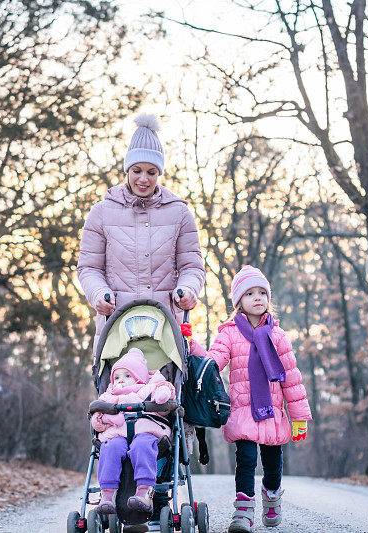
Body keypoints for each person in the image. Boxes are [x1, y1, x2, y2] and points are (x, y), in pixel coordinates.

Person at [191, 265, 311, 533]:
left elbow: (292, 379)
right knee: (245, 460)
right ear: (239, 303)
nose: (257, 298)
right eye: (250, 294)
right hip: (244, 411)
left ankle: (271, 496)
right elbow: (213, 362)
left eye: (262, 293)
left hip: (272, 413)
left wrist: (299, 417)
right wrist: (193, 348)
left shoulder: (278, 337)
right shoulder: (230, 334)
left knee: (272, 463)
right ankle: (243, 513)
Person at [76, 113, 205, 353]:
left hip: (166, 327)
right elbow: (89, 267)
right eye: (137, 170)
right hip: (116, 326)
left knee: (165, 390)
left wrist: (188, 290)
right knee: (120, 389)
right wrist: (99, 293)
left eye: (151, 172)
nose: (143, 179)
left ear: (159, 174)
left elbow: (192, 266)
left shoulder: (179, 213)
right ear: (127, 169)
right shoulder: (101, 213)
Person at [91, 349, 176, 515]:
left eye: (127, 376)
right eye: (117, 377)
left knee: (142, 445)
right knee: (110, 448)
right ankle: (108, 494)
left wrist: (162, 395)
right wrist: (104, 419)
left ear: (139, 377)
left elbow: (166, 391)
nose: (121, 380)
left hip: (146, 431)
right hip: (117, 435)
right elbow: (97, 421)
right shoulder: (109, 396)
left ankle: (144, 491)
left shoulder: (150, 388)